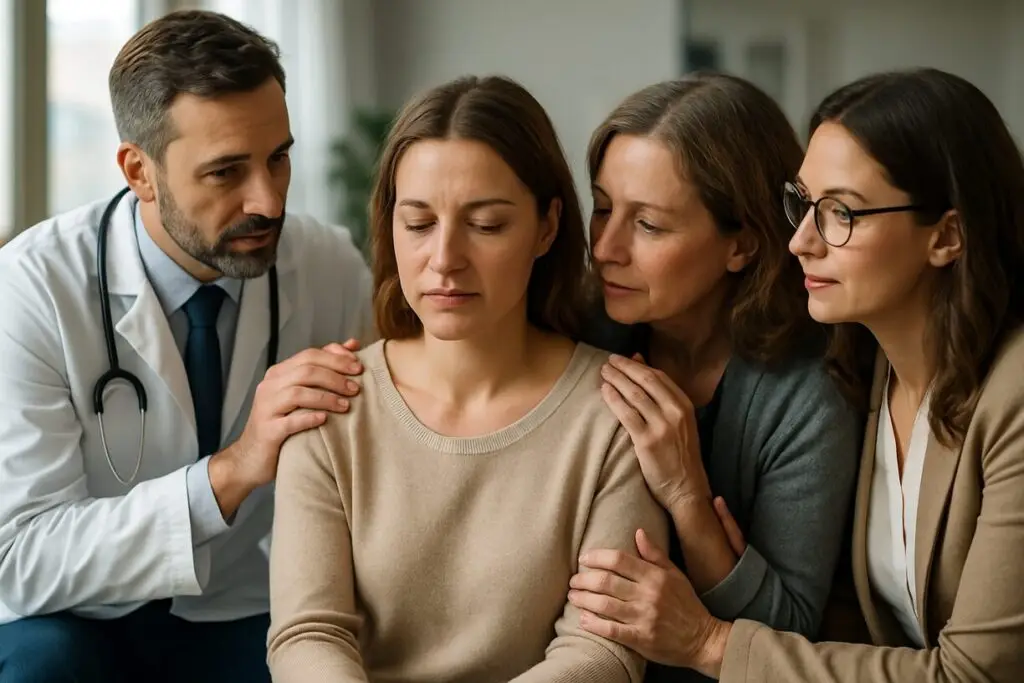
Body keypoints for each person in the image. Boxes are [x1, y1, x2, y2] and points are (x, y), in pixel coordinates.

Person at [589, 67, 1024, 682]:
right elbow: (849, 627)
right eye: (804, 204)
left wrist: (706, 641)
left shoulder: (1011, 395)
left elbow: (976, 676)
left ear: (947, 235)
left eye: (841, 212)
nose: (800, 241)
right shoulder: (872, 369)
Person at [0, 10, 373, 683]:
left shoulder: (328, 266)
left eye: (278, 158)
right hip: (72, 616)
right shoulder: (31, 288)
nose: (268, 200)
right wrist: (232, 472)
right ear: (138, 171)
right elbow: (23, 558)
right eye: (226, 172)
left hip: (238, 606)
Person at [265, 74, 669, 682]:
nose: (445, 258)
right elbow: (306, 633)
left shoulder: (614, 413)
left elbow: (601, 651)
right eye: (419, 223)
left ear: (547, 227)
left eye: (485, 225)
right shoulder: (331, 408)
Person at [557, 74, 862, 681]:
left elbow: (785, 636)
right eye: (604, 209)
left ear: (742, 245)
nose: (606, 248)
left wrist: (686, 496)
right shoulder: (574, 328)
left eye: (648, 225)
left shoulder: (807, 390)